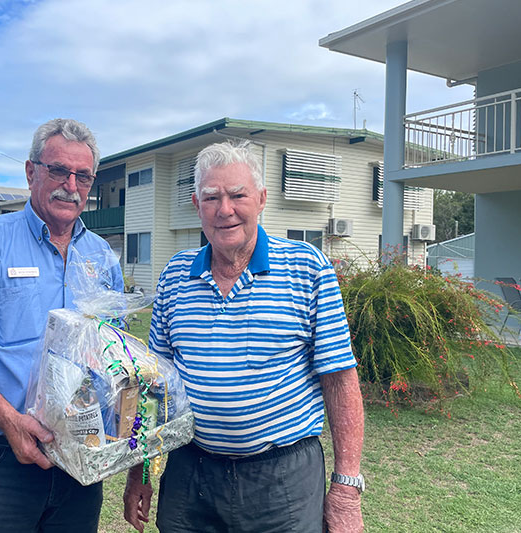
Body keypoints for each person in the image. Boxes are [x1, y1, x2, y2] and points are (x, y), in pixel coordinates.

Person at [123, 141, 364, 533]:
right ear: (196, 204)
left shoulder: (307, 268)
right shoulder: (174, 276)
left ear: (262, 199)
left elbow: (339, 380)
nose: (225, 209)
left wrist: (346, 489)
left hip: (282, 479)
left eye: (238, 195)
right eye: (211, 197)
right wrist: (139, 473)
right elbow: (154, 386)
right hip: (191, 474)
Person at [0, 118, 123, 533]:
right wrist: (11, 420)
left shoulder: (101, 256)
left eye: (82, 175)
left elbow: (114, 351)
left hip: (80, 464)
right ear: (31, 171)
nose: (70, 184)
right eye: (57, 170)